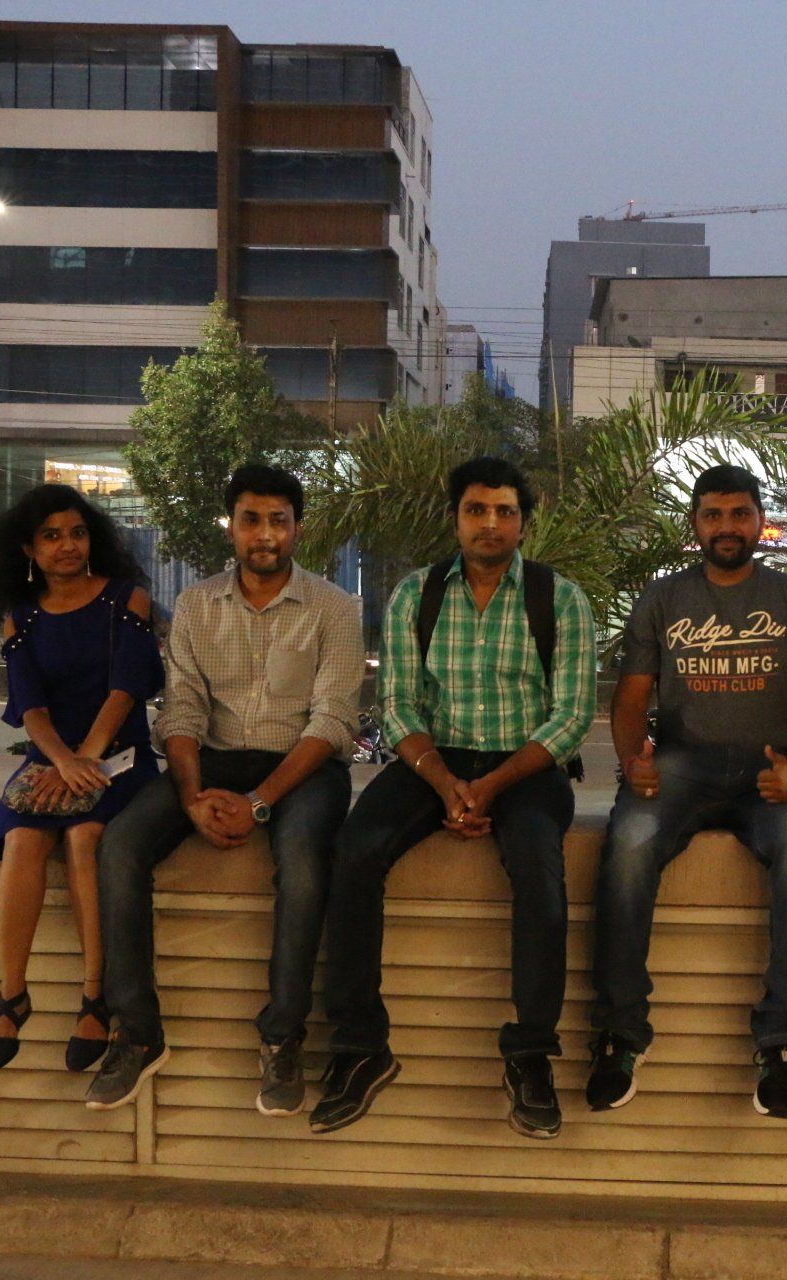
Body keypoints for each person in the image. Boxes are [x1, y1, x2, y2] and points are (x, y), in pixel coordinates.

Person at [313, 456, 596, 1139]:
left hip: (526, 766)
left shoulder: (559, 598)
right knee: (355, 850)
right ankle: (361, 1045)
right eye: (476, 510)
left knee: (539, 866)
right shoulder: (417, 595)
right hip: (433, 762)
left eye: (504, 511)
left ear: (523, 523)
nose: (490, 523)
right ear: (455, 519)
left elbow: (571, 716)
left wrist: (489, 788)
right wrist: (445, 783)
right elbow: (399, 704)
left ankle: (530, 1055)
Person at [87, 465, 364, 1116]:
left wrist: (259, 802)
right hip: (210, 764)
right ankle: (138, 1032)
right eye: (251, 520)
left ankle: (282, 1037)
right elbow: (182, 710)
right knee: (120, 845)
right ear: (231, 527)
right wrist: (191, 798)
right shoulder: (196, 605)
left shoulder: (333, 608)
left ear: (298, 529)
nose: (264, 534)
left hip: (303, 769)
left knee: (303, 863)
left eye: (278, 521)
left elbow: (331, 721)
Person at [588, 464, 787, 1121]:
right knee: (629, 841)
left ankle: (782, 1042)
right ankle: (621, 1034)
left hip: (771, 768)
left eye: (739, 514)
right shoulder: (663, 597)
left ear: (760, 522)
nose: (727, 526)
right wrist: (633, 761)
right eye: (713, 515)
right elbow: (630, 700)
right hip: (682, 764)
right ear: (695, 524)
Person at [0, 484, 163, 1072]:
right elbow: (29, 707)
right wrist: (63, 761)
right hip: (52, 758)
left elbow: (126, 689)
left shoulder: (127, 599)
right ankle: (11, 995)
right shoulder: (22, 618)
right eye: (52, 536)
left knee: (85, 837)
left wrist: (87, 760)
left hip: (119, 757)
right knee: (22, 839)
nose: (67, 546)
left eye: (77, 533)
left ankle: (94, 997)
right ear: (28, 549)